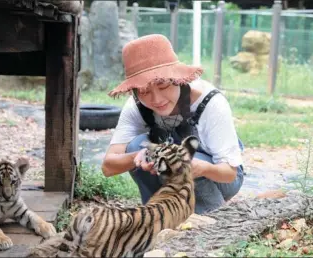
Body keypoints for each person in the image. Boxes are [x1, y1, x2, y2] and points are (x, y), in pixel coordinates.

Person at [102, 34, 244, 214]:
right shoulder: (136, 106)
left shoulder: (211, 103)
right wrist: (141, 155)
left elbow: (229, 173)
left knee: (185, 160)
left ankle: (209, 214)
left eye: (162, 86)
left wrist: (202, 168)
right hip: (176, 170)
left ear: (177, 79)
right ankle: (159, 213)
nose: (156, 99)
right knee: (137, 146)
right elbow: (108, 166)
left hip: (221, 176)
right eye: (144, 91)